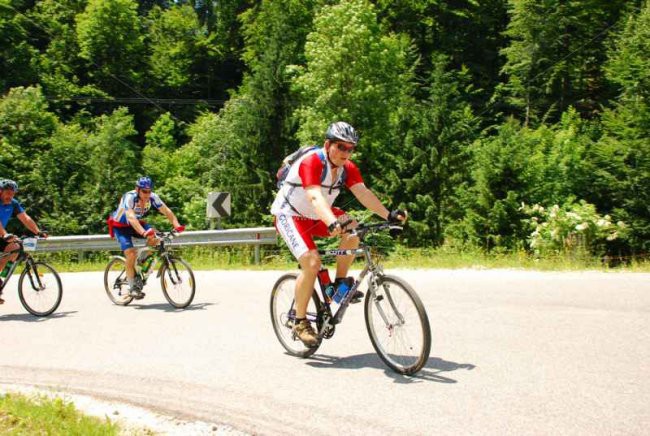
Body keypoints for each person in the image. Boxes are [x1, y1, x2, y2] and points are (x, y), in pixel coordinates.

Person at [271, 121, 407, 346]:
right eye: (340, 147)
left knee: (353, 228)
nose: (346, 152)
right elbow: (314, 197)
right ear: (328, 144)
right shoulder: (312, 161)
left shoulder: (348, 168)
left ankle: (339, 285)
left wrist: (388, 216)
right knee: (312, 263)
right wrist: (331, 221)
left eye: (350, 148)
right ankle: (300, 320)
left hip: (317, 216)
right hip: (290, 215)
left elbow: (363, 193)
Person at [107, 177, 184, 299]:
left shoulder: (153, 197)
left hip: (136, 223)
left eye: (149, 191)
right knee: (131, 254)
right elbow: (131, 217)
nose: (147, 194)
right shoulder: (130, 197)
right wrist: (144, 233)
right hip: (121, 226)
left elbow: (166, 211)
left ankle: (141, 261)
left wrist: (177, 225)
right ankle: (132, 287)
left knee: (156, 238)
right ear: (137, 189)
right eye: (144, 191)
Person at [0, 179, 47, 304]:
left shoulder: (13, 204)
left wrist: (38, 232)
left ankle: (0, 278)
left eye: (12, 193)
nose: (10, 196)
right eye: (7, 193)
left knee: (15, 249)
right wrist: (5, 234)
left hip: (1, 235)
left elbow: (25, 218)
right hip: (1, 233)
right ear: (1, 191)